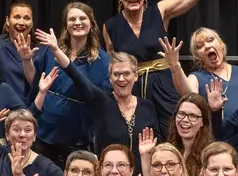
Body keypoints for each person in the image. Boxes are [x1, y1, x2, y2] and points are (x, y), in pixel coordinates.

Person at [102, 0, 214, 120]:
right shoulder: (110, 26)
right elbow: (114, 65)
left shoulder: (160, 11)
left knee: (170, 136)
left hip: (165, 86)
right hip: (132, 90)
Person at [41, 28, 159, 165]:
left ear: (136, 76)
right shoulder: (101, 101)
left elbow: (158, 144)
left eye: (127, 74)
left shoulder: (147, 107)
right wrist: (56, 50)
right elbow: (76, 75)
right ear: (109, 78)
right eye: (116, 74)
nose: (121, 79)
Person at [30, 2, 110, 165]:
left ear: (91, 24)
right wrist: (26, 61)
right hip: (44, 134)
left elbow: (100, 101)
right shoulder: (50, 50)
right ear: (66, 25)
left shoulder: (102, 60)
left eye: (83, 18)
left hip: (75, 140)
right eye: (72, 19)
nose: (77, 22)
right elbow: (34, 82)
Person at [167, 28, 238, 113]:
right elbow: (188, 95)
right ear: (198, 56)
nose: (207, 46)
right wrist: (175, 66)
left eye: (210, 40)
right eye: (199, 46)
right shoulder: (196, 78)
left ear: (221, 44)